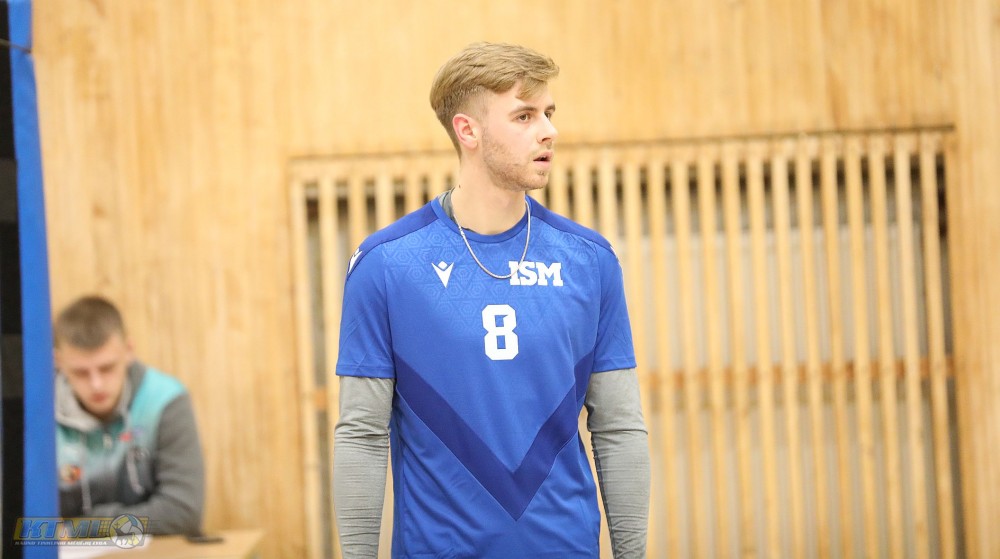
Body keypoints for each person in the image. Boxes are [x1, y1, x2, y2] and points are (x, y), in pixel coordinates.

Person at [333, 42, 650, 558]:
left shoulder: (590, 261)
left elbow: (619, 427)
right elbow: (361, 435)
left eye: (549, 113)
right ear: (468, 131)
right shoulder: (387, 265)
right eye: (524, 116)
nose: (548, 131)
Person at [53, 295, 204, 535]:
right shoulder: (36, 414)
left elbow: (182, 513)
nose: (96, 385)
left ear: (129, 351)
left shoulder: (165, 400)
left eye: (107, 368)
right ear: (58, 361)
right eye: (81, 373)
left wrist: (80, 528)